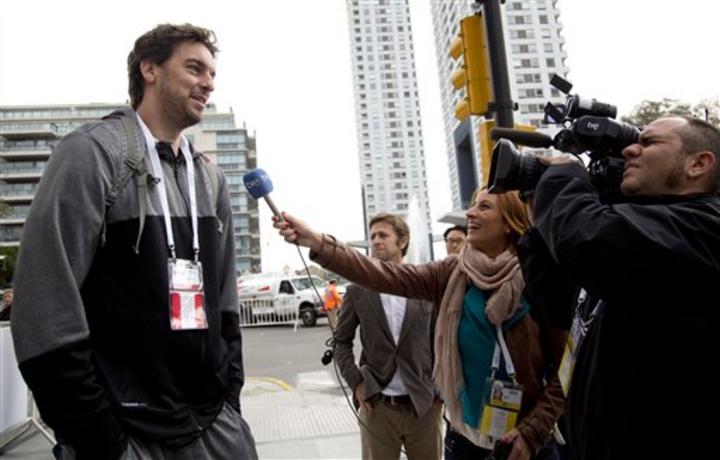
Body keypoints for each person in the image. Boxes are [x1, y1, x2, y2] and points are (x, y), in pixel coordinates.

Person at [10, 24, 257, 460]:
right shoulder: (91, 154)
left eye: (212, 73)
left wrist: (229, 401)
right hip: (128, 437)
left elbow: (225, 305)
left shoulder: (209, 177)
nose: (208, 83)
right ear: (150, 69)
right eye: (194, 68)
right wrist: (101, 441)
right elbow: (43, 310)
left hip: (214, 427)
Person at [274, 190, 566, 460]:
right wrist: (317, 241)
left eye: (484, 207)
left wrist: (533, 431)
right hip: (464, 438)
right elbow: (379, 274)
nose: (470, 213)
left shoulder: (540, 277)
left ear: (509, 223)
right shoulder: (451, 273)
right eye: (473, 205)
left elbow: (566, 370)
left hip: (524, 441)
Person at [532, 116, 720, 460]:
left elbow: (582, 240)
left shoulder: (704, 229)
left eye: (648, 143)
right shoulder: (634, 233)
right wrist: (539, 220)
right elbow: (557, 306)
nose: (629, 150)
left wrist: (565, 175)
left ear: (698, 164)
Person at [334, 213, 442, 460]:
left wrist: (439, 389)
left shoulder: (425, 284)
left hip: (424, 406)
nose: (376, 241)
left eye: (383, 235)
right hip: (377, 406)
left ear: (402, 242)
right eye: (373, 236)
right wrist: (356, 382)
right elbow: (341, 342)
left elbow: (440, 339)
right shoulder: (357, 290)